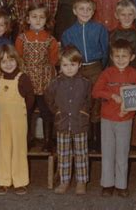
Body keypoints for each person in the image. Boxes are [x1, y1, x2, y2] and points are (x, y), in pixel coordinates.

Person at [92, 39, 136, 198]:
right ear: (112, 57)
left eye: (124, 56)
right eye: (117, 56)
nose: (121, 59)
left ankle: (121, 184)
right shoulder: (107, 73)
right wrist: (111, 95)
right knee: (107, 152)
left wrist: (128, 111)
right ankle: (107, 184)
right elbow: (96, 91)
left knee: (122, 153)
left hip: (125, 119)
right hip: (107, 118)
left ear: (131, 57)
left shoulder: (134, 74)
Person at [61, 0, 108, 151]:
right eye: (81, 9)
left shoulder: (99, 29)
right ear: (75, 11)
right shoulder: (68, 33)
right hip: (78, 71)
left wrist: (102, 67)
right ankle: (83, 139)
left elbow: (105, 50)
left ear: (93, 11)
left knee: (96, 102)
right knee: (81, 102)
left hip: (95, 68)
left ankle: (97, 139)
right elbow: (66, 55)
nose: (85, 12)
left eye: (89, 9)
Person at [45, 46, 91, 195]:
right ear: (60, 65)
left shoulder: (85, 83)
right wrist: (57, 112)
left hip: (80, 123)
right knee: (63, 154)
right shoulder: (55, 83)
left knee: (81, 153)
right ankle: (64, 181)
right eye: (65, 65)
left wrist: (85, 112)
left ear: (79, 65)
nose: (69, 68)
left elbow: (91, 101)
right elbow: (49, 99)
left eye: (73, 65)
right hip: (62, 123)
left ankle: (81, 181)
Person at [15, 4, 59, 152]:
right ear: (28, 19)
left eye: (41, 17)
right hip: (27, 81)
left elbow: (53, 60)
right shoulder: (21, 38)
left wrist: (47, 76)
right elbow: (18, 58)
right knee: (25, 111)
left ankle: (48, 141)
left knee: (46, 111)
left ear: (46, 20)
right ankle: (26, 140)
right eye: (34, 17)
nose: (38, 20)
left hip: (44, 81)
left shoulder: (51, 40)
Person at [0, 45, 34, 195]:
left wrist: (22, 112)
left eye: (11, 60)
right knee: (3, 148)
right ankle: (3, 181)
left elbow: (30, 98)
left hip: (19, 121)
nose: (8, 64)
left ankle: (20, 181)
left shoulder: (22, 78)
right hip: (3, 121)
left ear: (17, 60)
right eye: (3, 62)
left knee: (19, 149)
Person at [109, 0, 136, 149]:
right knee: (117, 104)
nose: (126, 17)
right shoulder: (112, 34)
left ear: (135, 15)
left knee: (133, 107)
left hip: (134, 74)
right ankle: (116, 139)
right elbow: (109, 56)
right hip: (116, 74)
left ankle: (135, 140)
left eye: (130, 14)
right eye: (123, 14)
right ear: (117, 15)